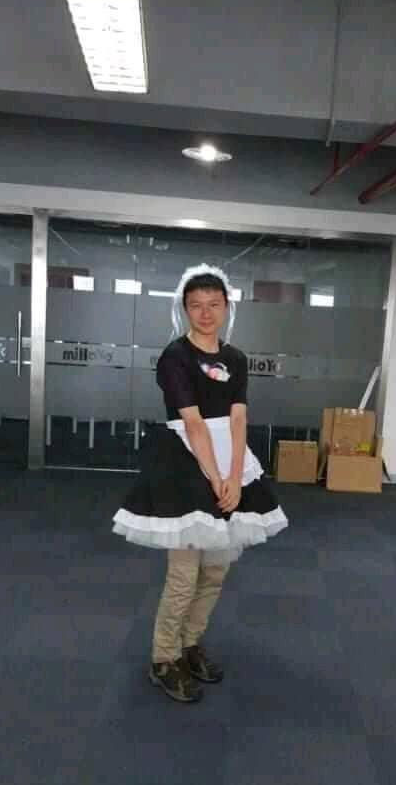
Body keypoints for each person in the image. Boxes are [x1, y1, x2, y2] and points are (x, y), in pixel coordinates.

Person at [113, 264, 288, 703]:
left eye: (214, 304)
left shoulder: (236, 359)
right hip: (185, 463)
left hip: (230, 462)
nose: (206, 313)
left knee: (215, 569)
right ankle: (164, 657)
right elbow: (192, 423)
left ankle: (190, 644)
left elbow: (239, 417)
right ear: (185, 309)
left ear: (227, 307)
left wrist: (235, 478)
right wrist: (214, 477)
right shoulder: (175, 357)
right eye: (196, 306)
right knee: (184, 573)